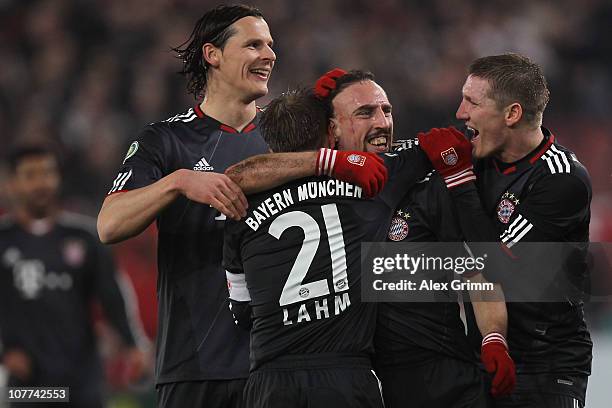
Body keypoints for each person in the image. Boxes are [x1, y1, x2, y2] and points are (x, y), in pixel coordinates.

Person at [225, 69, 514, 406]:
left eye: (386, 110)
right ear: (331, 129)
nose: (381, 122)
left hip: (440, 381)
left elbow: (478, 270)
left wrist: (494, 336)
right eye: (365, 113)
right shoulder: (354, 187)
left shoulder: (424, 187)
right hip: (362, 379)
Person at [96, 5, 276, 407]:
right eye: (252, 44)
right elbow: (109, 225)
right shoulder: (166, 140)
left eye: (269, 44)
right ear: (213, 55)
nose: (268, 54)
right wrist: (177, 182)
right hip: (193, 366)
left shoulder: (287, 138)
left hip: (274, 363)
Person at [223, 87, 439, 408]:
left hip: (270, 381)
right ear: (331, 130)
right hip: (345, 375)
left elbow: (241, 311)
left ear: (270, 144)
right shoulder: (371, 180)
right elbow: (438, 146)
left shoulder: (239, 206)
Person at [419, 53, 592, 407]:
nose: (460, 113)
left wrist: (460, 179)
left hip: (546, 364)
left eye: (472, 102)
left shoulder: (562, 180)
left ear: (511, 114)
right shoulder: (477, 159)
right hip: (478, 357)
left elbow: (499, 263)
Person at [0, 144, 147, 408]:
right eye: (30, 175)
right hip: (27, 384)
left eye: (47, 173)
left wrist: (133, 345)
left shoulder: (84, 237)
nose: (41, 183)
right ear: (11, 184)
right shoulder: (3, 240)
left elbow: (112, 295)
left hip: (82, 380)